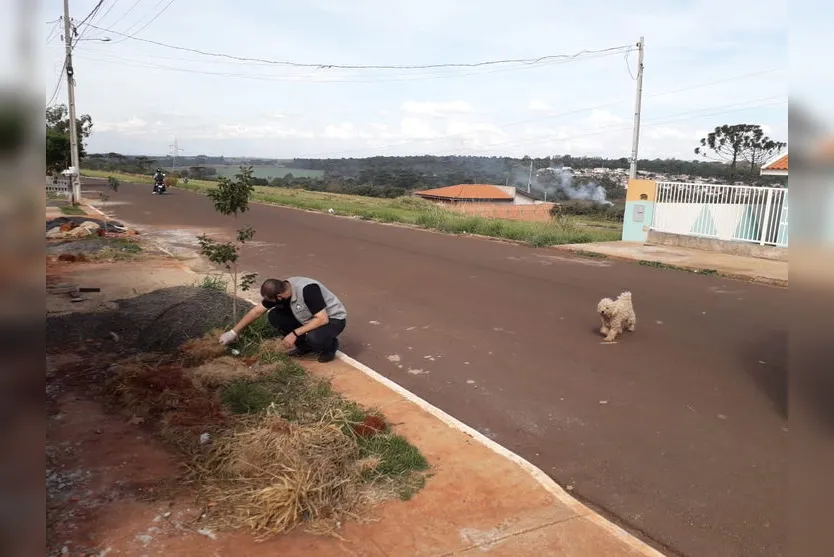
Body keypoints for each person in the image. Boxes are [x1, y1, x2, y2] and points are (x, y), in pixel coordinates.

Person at [219, 277, 347, 363]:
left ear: (279, 296)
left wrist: (294, 333)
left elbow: (322, 319)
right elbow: (256, 312)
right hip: (307, 318)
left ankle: (330, 346)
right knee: (274, 316)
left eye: (272, 300)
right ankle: (305, 347)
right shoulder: (281, 289)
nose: (270, 302)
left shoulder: (308, 290)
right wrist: (233, 332)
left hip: (332, 319)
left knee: (314, 338)